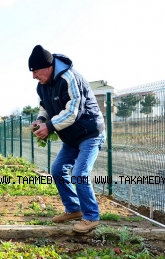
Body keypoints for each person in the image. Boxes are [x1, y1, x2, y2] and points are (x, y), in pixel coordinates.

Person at [28, 45, 105, 233]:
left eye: (36, 71)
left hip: (89, 132)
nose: (34, 76)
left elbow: (73, 111)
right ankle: (73, 208)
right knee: (57, 169)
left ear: (47, 67)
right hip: (71, 136)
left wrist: (50, 127)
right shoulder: (43, 85)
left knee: (79, 173)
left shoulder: (69, 78)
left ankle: (91, 217)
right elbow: (44, 107)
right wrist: (40, 120)